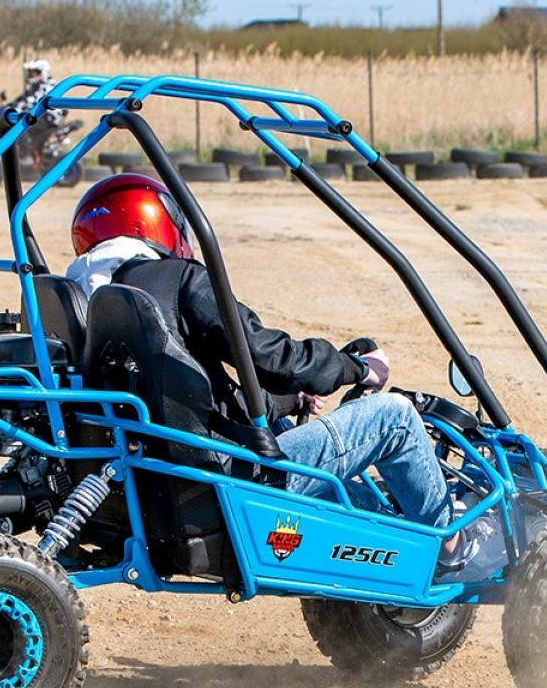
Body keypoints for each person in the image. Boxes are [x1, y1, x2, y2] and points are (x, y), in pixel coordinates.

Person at [64, 175, 489, 573]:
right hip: (229, 487)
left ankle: (395, 578)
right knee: (393, 418)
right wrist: (354, 368)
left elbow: (184, 394)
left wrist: (291, 400)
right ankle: (455, 547)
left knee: (359, 500)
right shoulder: (176, 280)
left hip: (152, 492)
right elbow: (267, 356)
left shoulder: (87, 304)